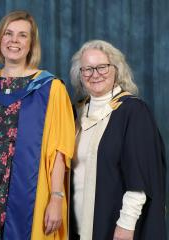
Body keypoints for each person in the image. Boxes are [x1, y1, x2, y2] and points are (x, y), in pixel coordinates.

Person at [0, 10, 75, 240]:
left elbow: (59, 151)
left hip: (33, 190)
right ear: (0, 39)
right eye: (8, 33)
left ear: (31, 44)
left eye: (22, 35)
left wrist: (57, 197)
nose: (14, 40)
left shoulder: (51, 88)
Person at [69, 40, 166, 240]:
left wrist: (126, 225)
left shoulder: (133, 111)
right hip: (77, 227)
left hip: (114, 227)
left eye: (102, 67)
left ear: (117, 69)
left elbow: (140, 177)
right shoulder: (77, 114)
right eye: (87, 69)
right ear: (80, 75)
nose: (95, 74)